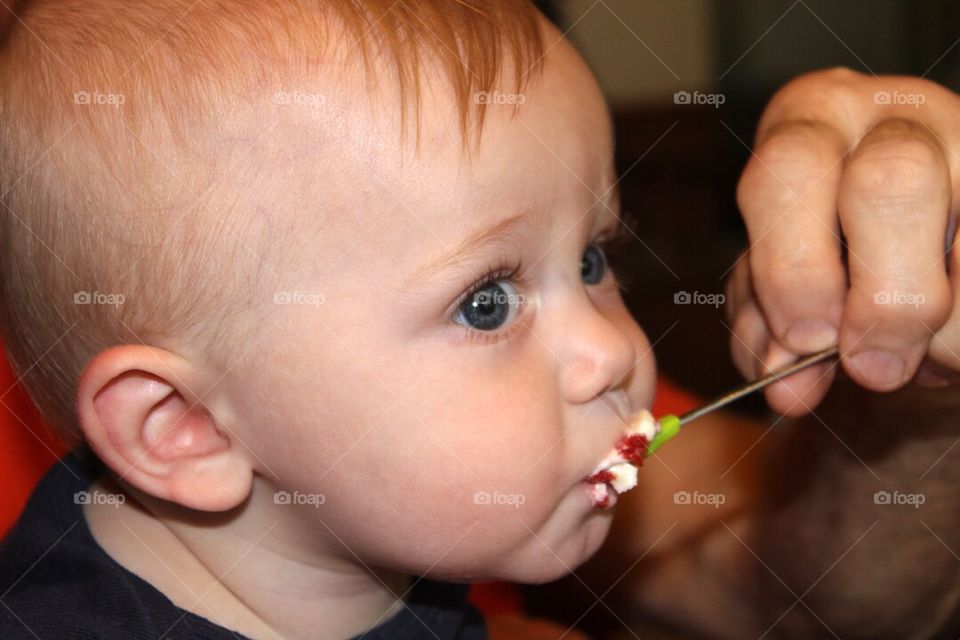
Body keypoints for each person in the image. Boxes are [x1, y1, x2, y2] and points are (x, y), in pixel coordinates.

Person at [0, 1, 957, 638]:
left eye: (591, 260)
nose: (613, 351)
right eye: (485, 301)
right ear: (185, 428)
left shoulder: (385, 533)